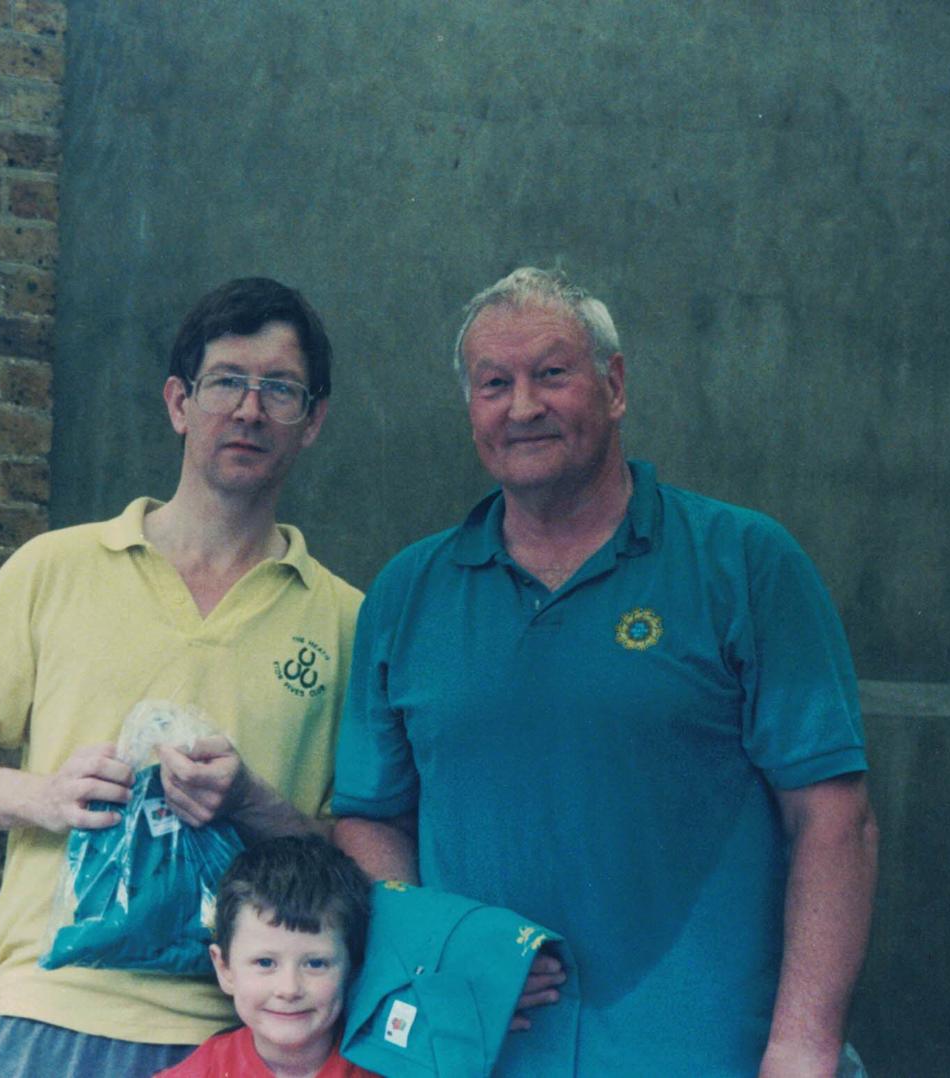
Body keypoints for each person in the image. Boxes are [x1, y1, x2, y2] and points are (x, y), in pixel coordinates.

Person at [332, 267, 879, 1076]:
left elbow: (834, 820)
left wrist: (803, 1045)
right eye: (494, 384)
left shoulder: (745, 563)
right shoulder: (407, 593)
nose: (522, 407)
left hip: (708, 1051)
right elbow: (370, 818)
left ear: (614, 385)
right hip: (485, 1058)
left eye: (552, 374)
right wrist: (445, 962)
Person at [0, 278, 364, 1077]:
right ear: (180, 402)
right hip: (53, 1009)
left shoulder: (347, 620)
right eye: (226, 382)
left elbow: (355, 861)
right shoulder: (56, 568)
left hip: (246, 1033)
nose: (249, 411)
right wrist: (44, 796)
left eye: (279, 390)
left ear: (313, 420)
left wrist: (252, 801)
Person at [156, 835, 379, 1078]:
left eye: (316, 963)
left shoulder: (388, 1068)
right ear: (225, 969)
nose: (289, 989)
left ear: (353, 969)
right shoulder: (200, 1073)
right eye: (265, 962)